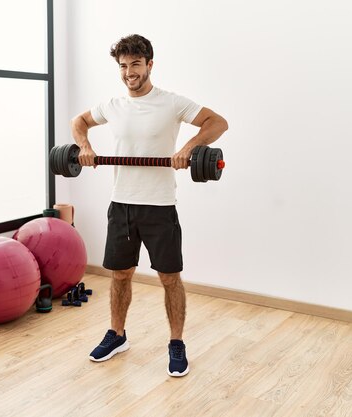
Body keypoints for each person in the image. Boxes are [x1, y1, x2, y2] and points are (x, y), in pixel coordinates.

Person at [70, 34, 228, 377]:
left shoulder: (171, 103)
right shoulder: (112, 105)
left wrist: (190, 146)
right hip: (121, 204)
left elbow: (218, 122)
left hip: (159, 206)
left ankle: (176, 342)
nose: (129, 73)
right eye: (123, 66)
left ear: (149, 65)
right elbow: (78, 122)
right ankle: (117, 334)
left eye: (136, 65)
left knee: (170, 278)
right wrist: (84, 146)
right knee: (120, 274)